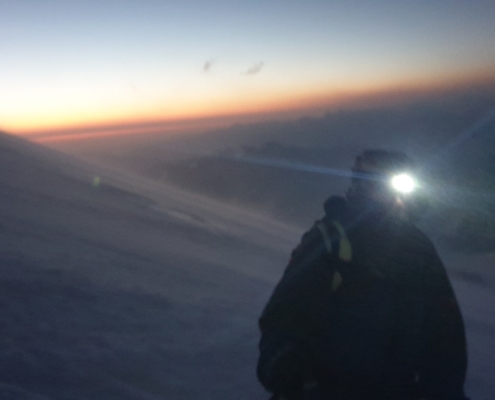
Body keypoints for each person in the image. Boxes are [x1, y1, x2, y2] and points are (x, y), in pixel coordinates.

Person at [257, 150, 468, 400]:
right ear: (358, 184)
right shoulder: (333, 237)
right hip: (326, 389)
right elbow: (289, 308)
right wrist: (283, 361)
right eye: (372, 182)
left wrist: (446, 390)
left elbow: (445, 331)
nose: (382, 192)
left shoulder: (418, 247)